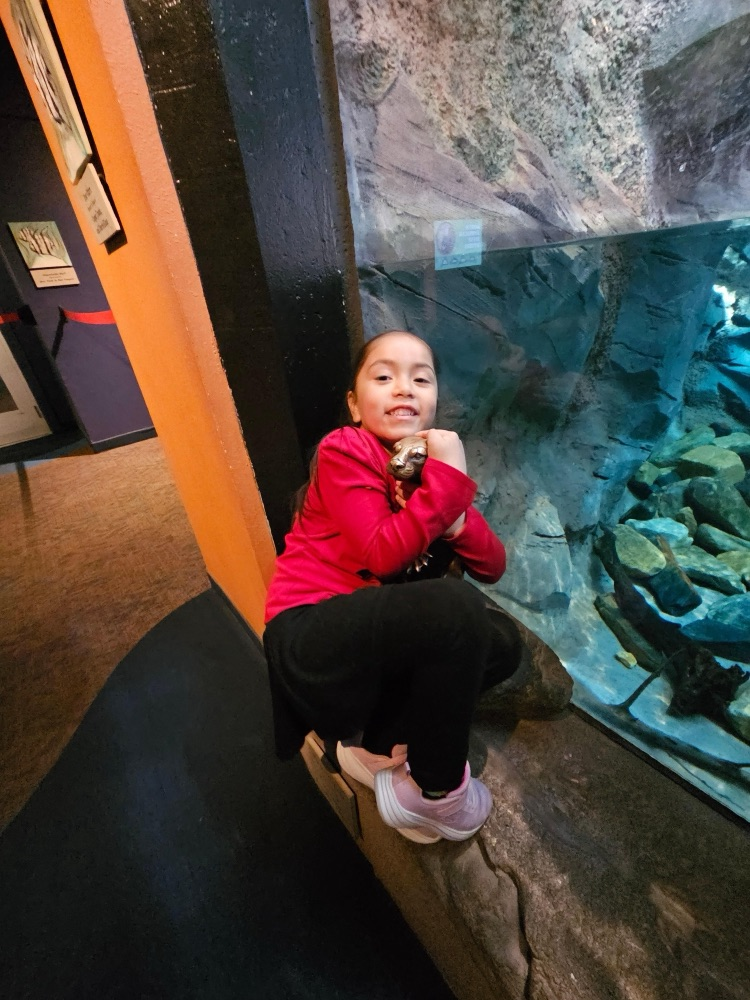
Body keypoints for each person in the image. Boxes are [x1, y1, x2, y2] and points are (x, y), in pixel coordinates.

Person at [263, 330, 517, 844]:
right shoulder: (345, 448)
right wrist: (448, 484)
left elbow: (493, 565)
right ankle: (435, 792)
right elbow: (382, 553)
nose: (404, 387)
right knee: (455, 606)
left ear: (434, 401)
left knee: (502, 643)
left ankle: (371, 745)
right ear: (355, 405)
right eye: (384, 376)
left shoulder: (430, 471)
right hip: (311, 633)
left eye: (421, 379)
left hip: (372, 643)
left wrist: (452, 514)